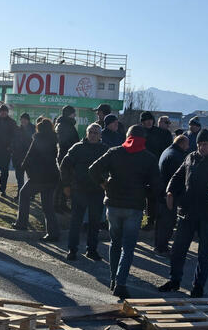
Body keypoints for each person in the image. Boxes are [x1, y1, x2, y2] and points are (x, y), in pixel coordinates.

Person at [158, 130, 208, 297]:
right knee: (179, 248)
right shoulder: (191, 157)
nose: (201, 147)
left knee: (205, 252)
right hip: (188, 211)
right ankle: (174, 280)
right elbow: (177, 177)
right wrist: (170, 191)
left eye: (205, 144)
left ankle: (198, 286)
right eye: (199, 144)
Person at [88, 125, 160, 297]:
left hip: (113, 204)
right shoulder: (149, 158)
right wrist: (145, 193)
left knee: (115, 244)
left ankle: (113, 279)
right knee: (128, 247)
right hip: (134, 208)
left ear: (127, 136)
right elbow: (157, 186)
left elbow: (93, 169)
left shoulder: (115, 152)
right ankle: (120, 283)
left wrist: (103, 183)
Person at [59, 122, 108, 261]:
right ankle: (72, 250)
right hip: (79, 190)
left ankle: (91, 250)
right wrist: (66, 185)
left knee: (95, 223)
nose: (93, 135)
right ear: (86, 133)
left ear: (100, 135)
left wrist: (107, 183)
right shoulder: (77, 148)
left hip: (97, 191)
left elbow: (113, 167)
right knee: (76, 222)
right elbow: (64, 166)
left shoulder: (105, 149)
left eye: (96, 133)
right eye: (90, 132)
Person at [13, 118, 60, 241]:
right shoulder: (54, 140)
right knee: (48, 206)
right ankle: (53, 233)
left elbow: (30, 156)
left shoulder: (38, 139)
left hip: (39, 177)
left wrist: (23, 166)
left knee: (24, 194)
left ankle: (21, 223)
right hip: (52, 177)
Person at [154, 135, 190, 255]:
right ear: (182, 144)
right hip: (169, 194)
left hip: (162, 192)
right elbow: (176, 178)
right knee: (167, 222)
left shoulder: (168, 151)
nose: (188, 147)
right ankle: (161, 248)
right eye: (187, 144)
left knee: (161, 222)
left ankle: (159, 245)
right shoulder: (176, 157)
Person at [54, 106, 80, 212]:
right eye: (73, 113)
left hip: (67, 155)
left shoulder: (66, 124)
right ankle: (56, 205)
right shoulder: (64, 125)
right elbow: (64, 142)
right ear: (69, 114)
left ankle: (62, 204)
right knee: (61, 182)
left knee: (66, 181)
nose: (75, 115)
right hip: (65, 156)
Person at [11, 112, 35, 198]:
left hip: (30, 157)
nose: (23, 121)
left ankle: (31, 194)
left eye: (25, 119)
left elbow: (35, 143)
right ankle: (20, 194)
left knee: (31, 177)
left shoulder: (33, 129)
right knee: (19, 178)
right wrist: (13, 150)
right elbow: (13, 141)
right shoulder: (17, 129)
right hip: (18, 157)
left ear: (28, 120)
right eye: (22, 119)